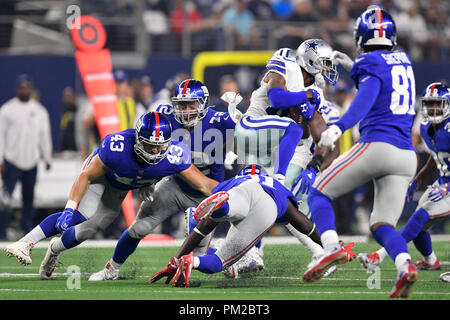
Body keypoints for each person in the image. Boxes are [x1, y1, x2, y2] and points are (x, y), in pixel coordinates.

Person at [4, 111, 218, 280]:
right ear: (137, 140)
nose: (154, 152)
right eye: (149, 146)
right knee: (80, 214)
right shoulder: (117, 146)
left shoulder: (175, 155)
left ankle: (55, 249)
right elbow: (86, 176)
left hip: (122, 185)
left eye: (159, 146)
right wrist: (70, 207)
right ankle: (25, 243)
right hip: (104, 176)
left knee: (94, 226)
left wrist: (234, 190)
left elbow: (204, 184)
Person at [304, 7, 418, 299]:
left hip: (377, 145)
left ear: (360, 35)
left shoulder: (369, 63)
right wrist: (352, 65)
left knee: (317, 191)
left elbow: (367, 96)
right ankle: (405, 266)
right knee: (382, 225)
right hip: (406, 155)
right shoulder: (403, 59)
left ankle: (331, 248)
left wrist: (339, 126)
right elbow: (382, 81)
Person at [88, 79, 237, 281]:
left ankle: (224, 257)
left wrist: (243, 128)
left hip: (208, 193)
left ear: (202, 104)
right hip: (176, 186)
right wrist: (148, 180)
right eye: (181, 105)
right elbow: (145, 145)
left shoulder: (222, 121)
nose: (185, 111)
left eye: (191, 105)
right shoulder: (165, 117)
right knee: (139, 227)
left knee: (199, 255)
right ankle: (111, 269)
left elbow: (255, 139)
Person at [230, 39, 341, 275]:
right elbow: (278, 98)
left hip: (285, 148)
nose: (328, 69)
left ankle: (319, 252)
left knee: (276, 203)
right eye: (324, 63)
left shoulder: (317, 87)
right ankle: (250, 252)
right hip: (257, 136)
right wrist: (304, 96)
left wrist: (315, 166)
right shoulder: (286, 64)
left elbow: (314, 133)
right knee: (259, 198)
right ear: (309, 60)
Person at [148, 164, 346, 287]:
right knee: (218, 263)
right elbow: (306, 225)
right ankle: (194, 262)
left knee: (216, 215)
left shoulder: (235, 180)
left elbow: (202, 229)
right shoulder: (276, 187)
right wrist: (328, 245)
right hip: (267, 204)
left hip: (238, 191)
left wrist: (174, 260)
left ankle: (223, 209)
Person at [358, 82, 450, 272]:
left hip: (447, 186)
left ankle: (378, 256)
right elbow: (436, 156)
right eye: (429, 104)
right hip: (443, 181)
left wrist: (447, 188)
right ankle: (430, 260)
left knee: (418, 218)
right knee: (419, 224)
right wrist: (418, 179)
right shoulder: (426, 127)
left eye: (437, 104)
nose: (433, 109)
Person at [0, 74, 52, 240]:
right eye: (22, 87)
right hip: (11, 160)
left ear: (31, 89)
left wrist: (47, 157)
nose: (24, 90)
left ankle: (27, 231)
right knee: (5, 198)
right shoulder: (7, 110)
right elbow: (0, 135)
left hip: (31, 161)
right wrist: (0, 159)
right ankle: (1, 231)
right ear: (17, 89)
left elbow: (44, 135)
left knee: (29, 198)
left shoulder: (39, 110)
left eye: (27, 87)